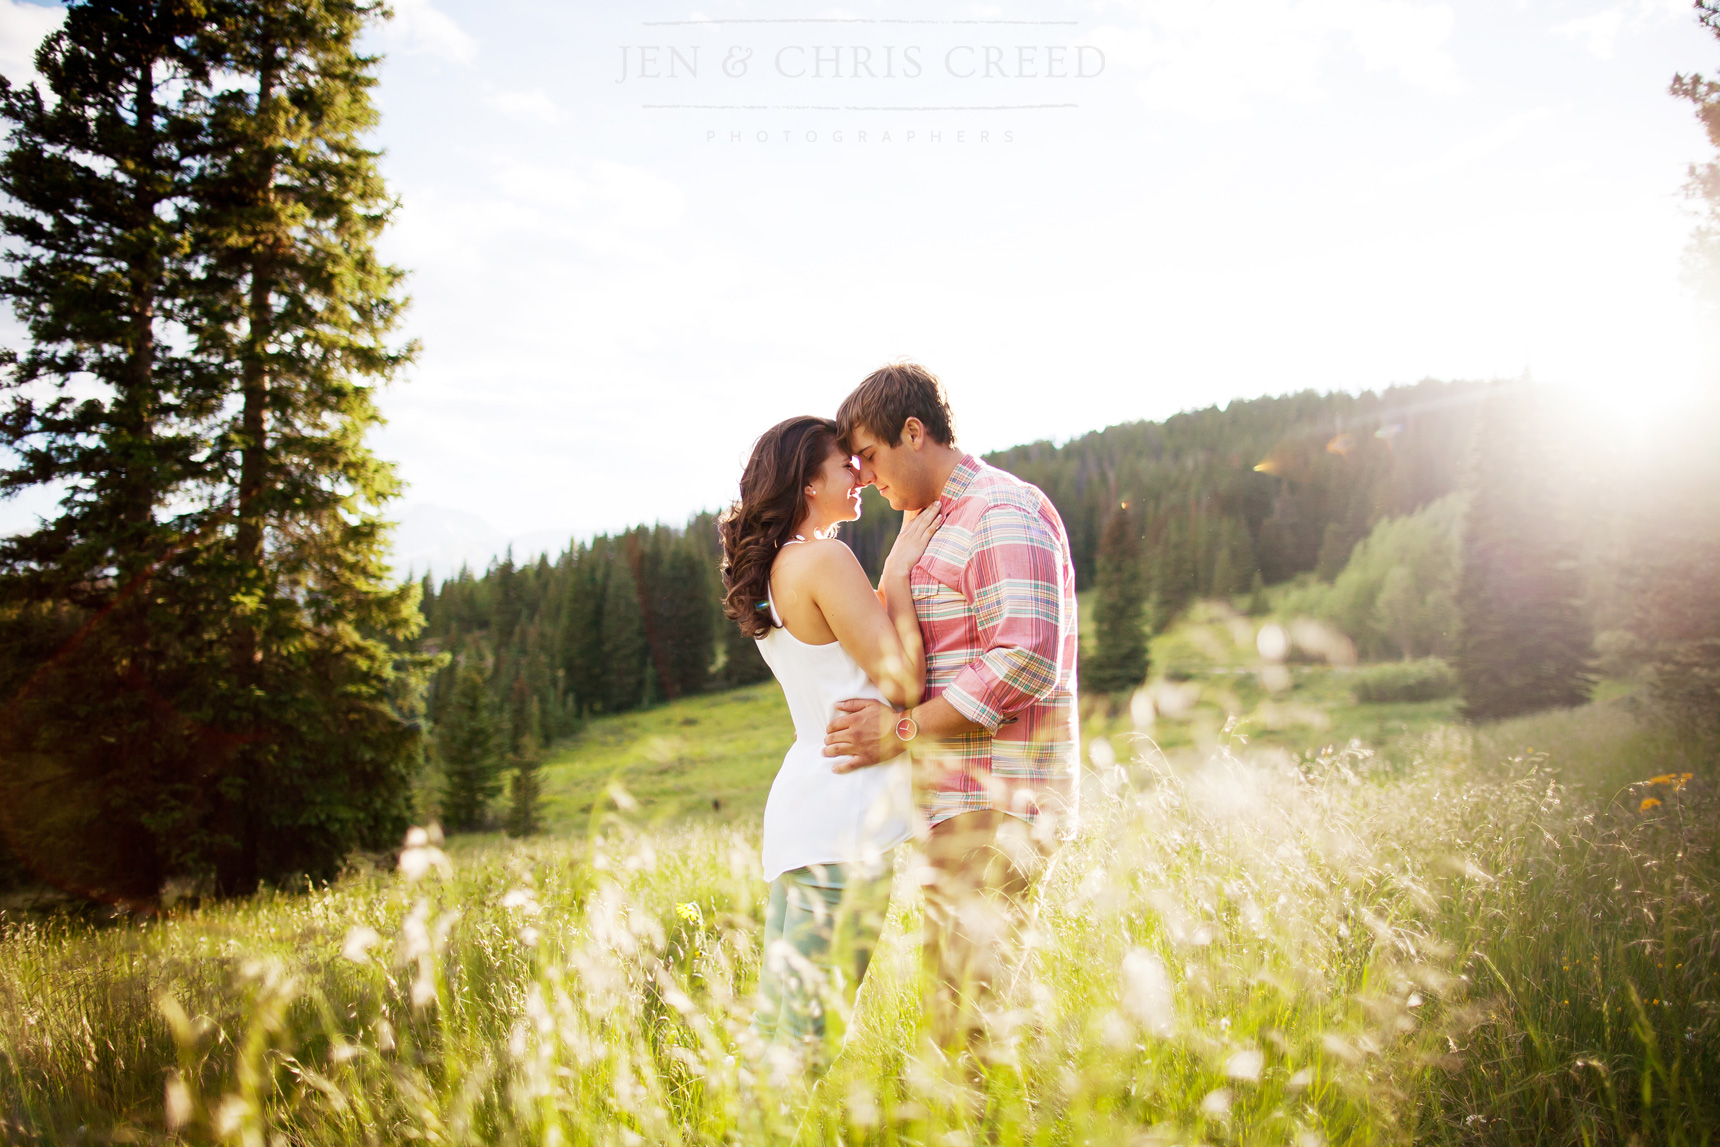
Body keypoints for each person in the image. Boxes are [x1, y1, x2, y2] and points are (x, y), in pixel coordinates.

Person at [821, 362, 1080, 1056]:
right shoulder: (930, 526)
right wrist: (893, 578)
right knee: (961, 1017)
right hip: (956, 801)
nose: (867, 478)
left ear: (914, 431)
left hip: (1002, 800)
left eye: (871, 457)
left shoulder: (998, 508)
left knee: (968, 1023)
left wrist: (900, 731)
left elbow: (1025, 655)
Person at [717, 414, 943, 1069]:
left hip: (801, 809)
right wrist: (898, 576)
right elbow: (902, 682)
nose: (860, 474)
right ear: (809, 481)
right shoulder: (825, 558)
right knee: (809, 1045)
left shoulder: (773, 569)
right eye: (846, 463)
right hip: (846, 816)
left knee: (777, 1032)